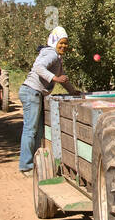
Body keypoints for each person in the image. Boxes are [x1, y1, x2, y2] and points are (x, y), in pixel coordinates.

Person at [19, 26, 83, 175]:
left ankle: (35, 162)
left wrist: (73, 91)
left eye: (66, 43)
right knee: (30, 129)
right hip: (31, 91)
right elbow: (38, 67)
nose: (64, 46)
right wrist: (55, 78)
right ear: (54, 42)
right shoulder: (51, 54)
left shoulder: (57, 58)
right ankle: (26, 165)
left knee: (39, 130)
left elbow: (63, 79)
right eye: (61, 42)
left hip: (36, 93)